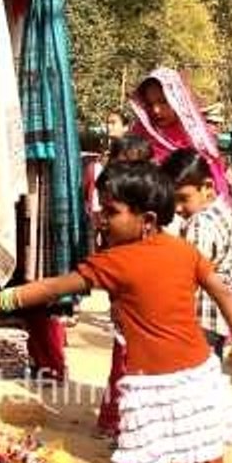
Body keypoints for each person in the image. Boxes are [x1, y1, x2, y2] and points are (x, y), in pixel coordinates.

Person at [0, 162, 232, 463]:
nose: (101, 219)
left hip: (155, 388)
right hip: (199, 377)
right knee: (205, 458)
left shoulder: (115, 262)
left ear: (147, 220)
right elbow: (224, 293)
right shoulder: (183, 250)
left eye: (111, 212)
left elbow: (51, 288)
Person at [162, 148, 232, 362]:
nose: (178, 208)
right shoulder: (225, 213)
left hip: (196, 320)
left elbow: (186, 278)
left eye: (183, 198)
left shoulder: (200, 224)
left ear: (208, 187)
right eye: (173, 200)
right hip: (216, 321)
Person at [93, 134, 153, 439]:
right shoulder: (113, 202)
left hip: (145, 297)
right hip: (124, 294)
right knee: (124, 357)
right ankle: (115, 420)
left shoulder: (147, 208)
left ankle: (124, 422)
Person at [129, 67, 229, 199]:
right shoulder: (140, 137)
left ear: (177, 99)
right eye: (150, 104)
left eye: (163, 101)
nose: (156, 110)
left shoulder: (198, 138)